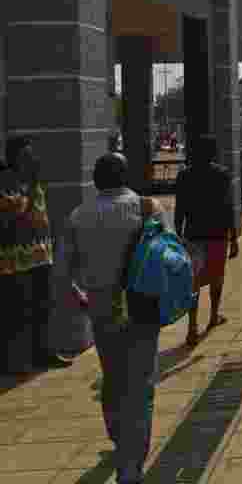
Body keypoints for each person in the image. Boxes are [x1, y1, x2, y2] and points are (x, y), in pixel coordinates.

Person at [66, 153, 162, 484]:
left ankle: (119, 436)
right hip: (142, 304)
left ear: (95, 181)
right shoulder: (146, 208)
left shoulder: (79, 216)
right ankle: (131, 464)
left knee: (114, 375)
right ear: (125, 177)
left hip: (102, 307)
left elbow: (63, 270)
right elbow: (166, 254)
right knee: (141, 383)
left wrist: (79, 295)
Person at [0, 137, 73, 373]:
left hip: (40, 256)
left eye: (32, 155)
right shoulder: (5, 180)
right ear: (14, 158)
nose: (32, 160)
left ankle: (44, 354)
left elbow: (41, 215)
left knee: (43, 308)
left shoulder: (34, 182)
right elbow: (16, 212)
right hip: (15, 261)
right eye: (26, 155)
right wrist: (31, 189)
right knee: (17, 313)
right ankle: (15, 362)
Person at [174, 134, 238, 348]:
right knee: (216, 276)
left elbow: (179, 207)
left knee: (193, 281)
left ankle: (192, 327)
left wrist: (177, 233)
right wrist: (234, 236)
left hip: (192, 234)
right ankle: (213, 316)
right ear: (213, 153)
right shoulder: (222, 174)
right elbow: (228, 206)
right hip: (217, 234)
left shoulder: (184, 176)